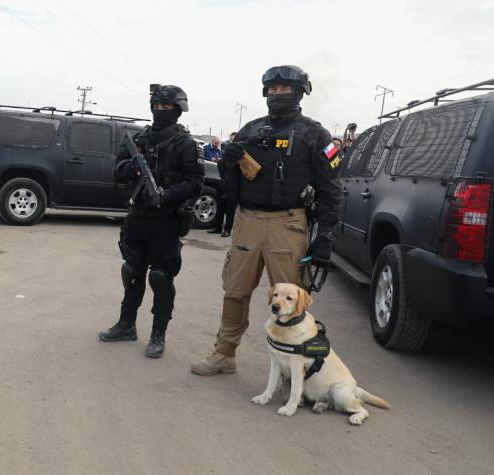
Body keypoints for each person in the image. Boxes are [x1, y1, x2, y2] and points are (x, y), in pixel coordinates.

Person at [190, 65, 342, 375]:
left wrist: (325, 238)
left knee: (291, 302)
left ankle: (295, 370)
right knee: (235, 292)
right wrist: (228, 166)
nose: (279, 94)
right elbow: (231, 190)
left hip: (288, 225)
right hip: (247, 221)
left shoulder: (315, 135)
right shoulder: (250, 130)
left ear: (300, 93)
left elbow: (331, 190)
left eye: (286, 89)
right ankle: (224, 354)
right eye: (274, 89)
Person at [98, 84, 204, 358]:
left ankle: (158, 334)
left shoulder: (186, 144)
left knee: (160, 277)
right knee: (131, 270)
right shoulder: (139, 140)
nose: (160, 111)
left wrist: (166, 195)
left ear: (178, 109)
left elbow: (195, 183)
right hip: (137, 216)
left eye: (166, 107)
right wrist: (129, 168)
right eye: (156, 106)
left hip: (166, 220)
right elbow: (117, 169)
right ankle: (126, 325)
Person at [208, 143, 236, 237]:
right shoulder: (221, 162)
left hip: (232, 187)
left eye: (226, 150)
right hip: (222, 185)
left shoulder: (235, 162)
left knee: (230, 210)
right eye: (223, 149)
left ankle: (227, 230)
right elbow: (222, 174)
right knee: (219, 207)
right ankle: (217, 227)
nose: (224, 151)